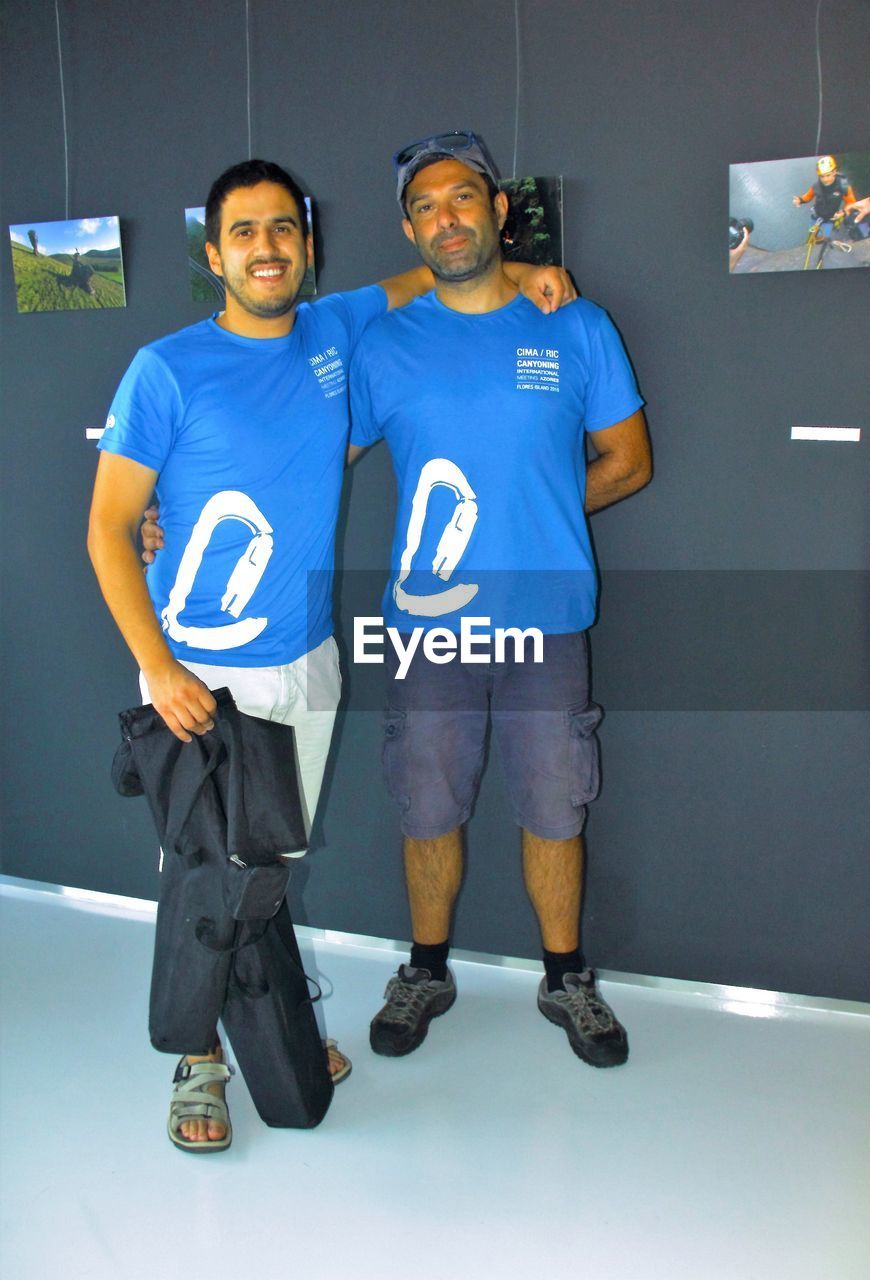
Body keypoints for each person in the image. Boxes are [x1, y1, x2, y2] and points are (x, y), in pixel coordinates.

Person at [90, 157, 574, 1152]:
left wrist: (528, 269)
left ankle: (275, 1025)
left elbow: (423, 279)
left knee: (267, 861)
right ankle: (200, 1061)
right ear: (212, 251)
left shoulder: (333, 331)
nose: (264, 248)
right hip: (199, 673)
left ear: (305, 245)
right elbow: (107, 528)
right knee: (205, 872)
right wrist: (162, 667)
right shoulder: (165, 367)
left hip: (306, 660)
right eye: (243, 232)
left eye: (281, 229)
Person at [347, 131, 651, 1068]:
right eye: (427, 206)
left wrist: (546, 504)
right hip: (426, 627)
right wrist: (173, 511)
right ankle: (426, 968)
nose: (447, 218)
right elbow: (307, 462)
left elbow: (628, 462)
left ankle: (566, 979)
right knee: (426, 801)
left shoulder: (576, 326)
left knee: (555, 803)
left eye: (463, 199)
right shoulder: (382, 343)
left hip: (545, 621)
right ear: (409, 226)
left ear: (497, 210)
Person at [792, 155, 870, 245]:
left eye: (828, 175)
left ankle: (821, 246)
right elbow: (808, 196)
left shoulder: (843, 187)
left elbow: (851, 203)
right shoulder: (817, 186)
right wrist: (800, 200)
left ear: (834, 172)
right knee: (812, 237)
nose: (825, 179)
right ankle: (812, 242)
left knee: (823, 238)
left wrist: (843, 212)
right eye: (822, 176)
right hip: (816, 216)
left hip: (829, 219)